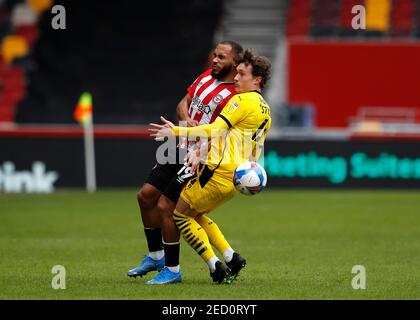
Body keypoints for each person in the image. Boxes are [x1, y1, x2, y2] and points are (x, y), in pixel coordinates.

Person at [149, 49, 272, 284]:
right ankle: (231, 257)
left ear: (257, 79)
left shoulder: (240, 101)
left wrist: (176, 131)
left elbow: (214, 130)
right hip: (236, 175)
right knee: (196, 213)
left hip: (217, 171)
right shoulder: (265, 108)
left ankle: (216, 267)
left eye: (242, 74)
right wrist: (200, 151)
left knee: (180, 216)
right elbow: (235, 139)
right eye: (236, 74)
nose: (235, 79)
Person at [127, 41, 244, 282]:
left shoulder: (234, 97)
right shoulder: (205, 77)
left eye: (221, 57)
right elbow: (182, 103)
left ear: (234, 62)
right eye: (215, 55)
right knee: (145, 196)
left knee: (166, 208)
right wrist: (188, 120)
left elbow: (223, 134)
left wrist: (202, 151)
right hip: (179, 146)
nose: (215, 60)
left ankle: (172, 271)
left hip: (197, 156)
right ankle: (155, 256)